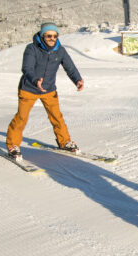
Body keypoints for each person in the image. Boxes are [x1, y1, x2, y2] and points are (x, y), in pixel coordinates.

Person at [5, 22, 84, 159]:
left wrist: (77, 80)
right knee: (21, 117)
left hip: (49, 89)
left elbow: (70, 67)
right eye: (48, 36)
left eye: (54, 36)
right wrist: (36, 80)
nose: (52, 39)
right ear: (42, 36)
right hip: (29, 88)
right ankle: (13, 145)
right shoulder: (32, 49)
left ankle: (64, 142)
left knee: (57, 117)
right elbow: (27, 68)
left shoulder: (60, 50)